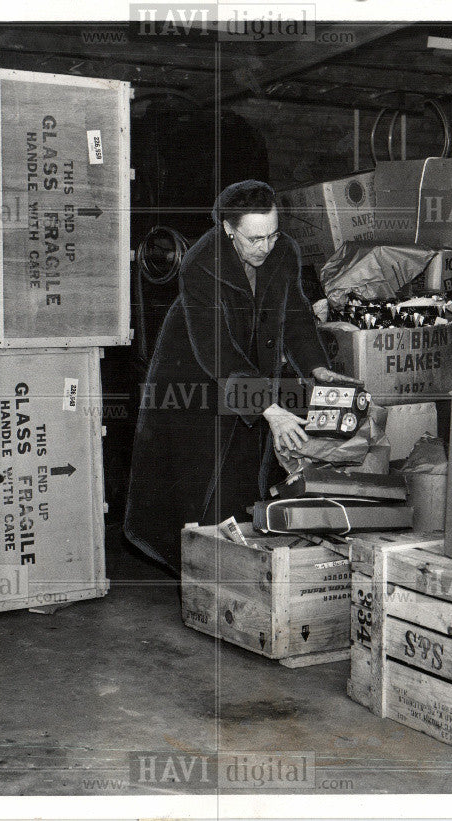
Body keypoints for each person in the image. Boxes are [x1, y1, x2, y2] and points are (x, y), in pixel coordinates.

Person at [124, 179, 347, 572]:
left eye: (273, 234)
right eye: (254, 238)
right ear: (228, 228)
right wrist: (270, 408)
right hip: (196, 371)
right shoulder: (200, 265)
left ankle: (241, 566)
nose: (266, 246)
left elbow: (294, 312)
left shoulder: (284, 252)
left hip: (249, 371)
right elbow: (218, 353)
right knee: (205, 475)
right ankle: (198, 570)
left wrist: (316, 366)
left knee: (249, 466)